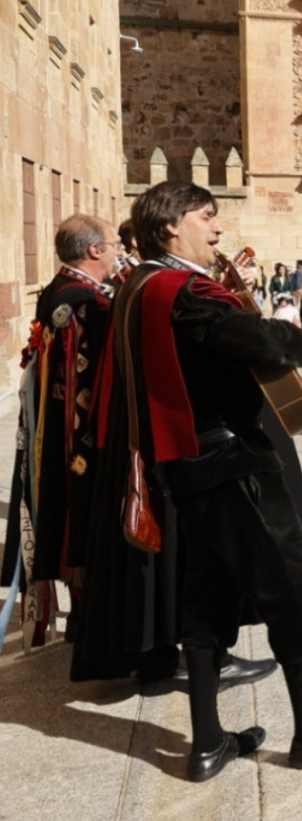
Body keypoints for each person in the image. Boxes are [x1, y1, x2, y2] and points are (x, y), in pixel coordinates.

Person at [85, 181, 302, 781]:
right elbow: (256, 339)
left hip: (186, 464)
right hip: (232, 462)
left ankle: (207, 742)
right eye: (207, 217)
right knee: (292, 591)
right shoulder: (180, 289)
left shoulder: (139, 285)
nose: (217, 229)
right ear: (171, 226)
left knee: (207, 595)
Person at [2, 215, 119, 649]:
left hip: (60, 429)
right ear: (94, 251)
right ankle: (91, 620)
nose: (119, 250)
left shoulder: (60, 289)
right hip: (76, 434)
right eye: (114, 243)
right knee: (81, 514)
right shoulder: (80, 299)